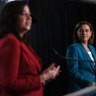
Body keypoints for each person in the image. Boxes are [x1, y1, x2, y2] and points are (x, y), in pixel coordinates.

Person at [0, 1, 60, 96]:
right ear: (11, 17)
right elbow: (9, 84)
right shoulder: (11, 42)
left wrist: (45, 77)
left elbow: (28, 78)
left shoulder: (22, 42)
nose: (29, 18)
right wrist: (42, 77)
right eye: (24, 14)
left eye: (30, 14)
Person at [66, 21, 96, 95]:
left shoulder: (92, 48)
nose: (84, 33)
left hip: (92, 91)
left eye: (86, 30)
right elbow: (73, 72)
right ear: (77, 33)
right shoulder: (73, 48)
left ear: (91, 33)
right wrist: (87, 83)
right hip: (80, 89)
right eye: (81, 30)